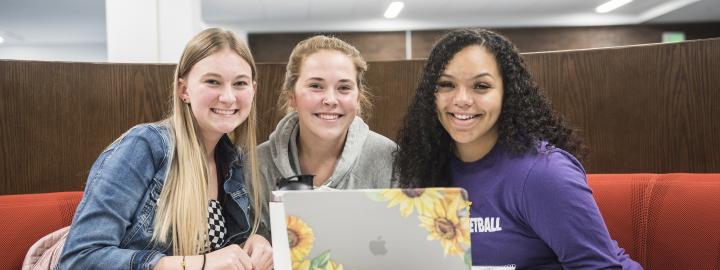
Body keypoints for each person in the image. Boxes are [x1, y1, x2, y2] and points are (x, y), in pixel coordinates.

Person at [393, 29, 642, 269]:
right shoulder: (426, 167)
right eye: (446, 85)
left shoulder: (544, 173)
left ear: (507, 93)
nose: (462, 99)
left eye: (481, 86)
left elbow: (599, 267)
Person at [58, 28, 273, 270]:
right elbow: (79, 260)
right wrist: (198, 264)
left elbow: (222, 255)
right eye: (212, 81)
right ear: (184, 90)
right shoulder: (145, 146)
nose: (228, 97)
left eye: (240, 83)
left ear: (253, 90)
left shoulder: (234, 162)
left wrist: (253, 243)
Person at [257, 35, 396, 191]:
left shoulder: (391, 159)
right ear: (291, 96)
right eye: (316, 86)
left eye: (344, 88)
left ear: (358, 98)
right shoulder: (257, 165)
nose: (330, 100)